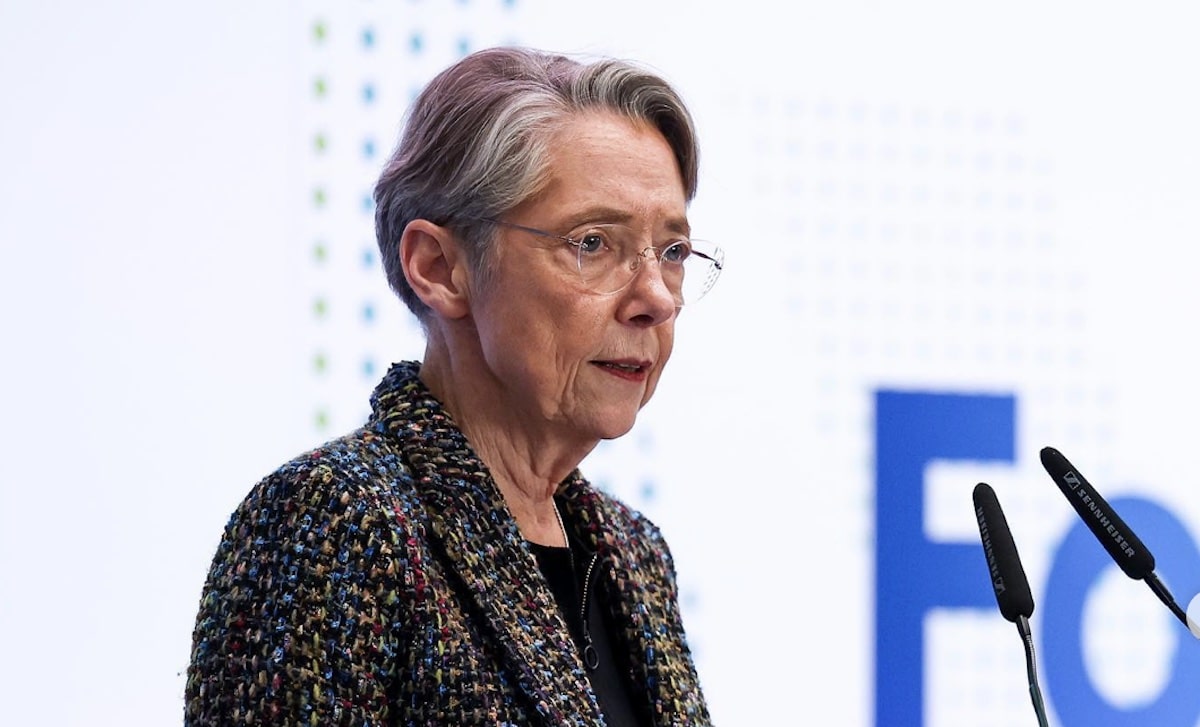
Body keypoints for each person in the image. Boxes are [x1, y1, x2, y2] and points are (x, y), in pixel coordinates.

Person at [185, 45, 723, 726]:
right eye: (592, 243)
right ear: (438, 267)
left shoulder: (634, 552)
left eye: (672, 252)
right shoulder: (338, 522)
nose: (657, 298)